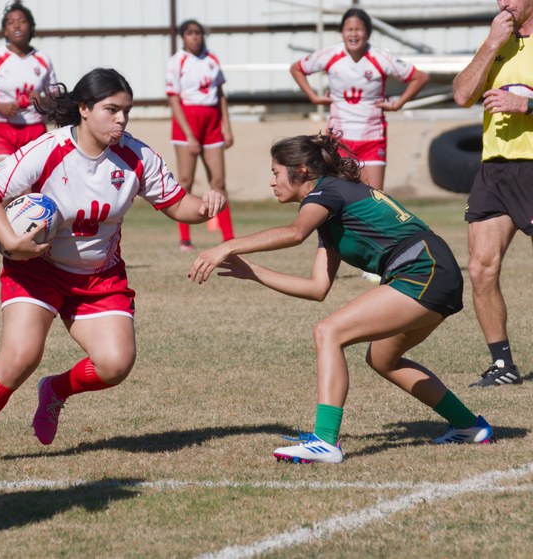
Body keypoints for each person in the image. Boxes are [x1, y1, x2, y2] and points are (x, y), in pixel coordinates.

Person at [0, 68, 226, 468]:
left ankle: (55, 390)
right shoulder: (48, 150)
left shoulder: (136, 156)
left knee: (115, 364)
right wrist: (11, 241)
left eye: (126, 111)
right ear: (84, 109)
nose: (121, 120)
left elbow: (177, 205)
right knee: (19, 358)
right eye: (112, 110)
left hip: (99, 277)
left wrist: (207, 204)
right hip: (37, 271)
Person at [188, 133, 493, 464]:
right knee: (384, 359)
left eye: (276, 173)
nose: (272, 182)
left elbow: (294, 233)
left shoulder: (327, 192)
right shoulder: (329, 211)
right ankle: (469, 426)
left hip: (423, 269)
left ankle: (325, 441)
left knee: (328, 332)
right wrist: (253, 271)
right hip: (433, 271)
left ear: (301, 171)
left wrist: (226, 246)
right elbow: (317, 288)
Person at [289, 7, 429, 282]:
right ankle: (331, 258)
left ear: (367, 33)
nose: (353, 34)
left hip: (372, 136)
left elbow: (419, 77)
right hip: (339, 141)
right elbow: (297, 68)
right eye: (349, 29)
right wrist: (314, 97)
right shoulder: (330, 55)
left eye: (359, 29)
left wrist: (399, 103)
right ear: (342, 33)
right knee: (335, 199)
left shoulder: (380, 57)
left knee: (374, 197)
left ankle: (375, 262)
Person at [452, 0, 533, 387]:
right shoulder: (496, 40)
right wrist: (490, 44)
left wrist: (526, 104)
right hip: (495, 169)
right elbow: (462, 95)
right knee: (480, 268)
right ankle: (503, 365)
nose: (504, 3)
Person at [0, 1, 58, 271]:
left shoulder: (43, 60)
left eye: (22, 21)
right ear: (5, 30)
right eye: (11, 22)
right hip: (3, 130)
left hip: (35, 131)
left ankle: (24, 246)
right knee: (8, 186)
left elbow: (56, 97)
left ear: (31, 27)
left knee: (31, 192)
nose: (17, 26)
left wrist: (42, 99)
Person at [166, 19, 235, 251]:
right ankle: (185, 239)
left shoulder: (211, 59)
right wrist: (189, 135)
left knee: (219, 182)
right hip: (188, 121)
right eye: (190, 33)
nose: (195, 37)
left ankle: (228, 237)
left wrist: (226, 126)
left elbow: (221, 93)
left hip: (212, 121)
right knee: (185, 181)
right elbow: (173, 99)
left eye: (198, 33)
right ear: (183, 36)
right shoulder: (177, 61)